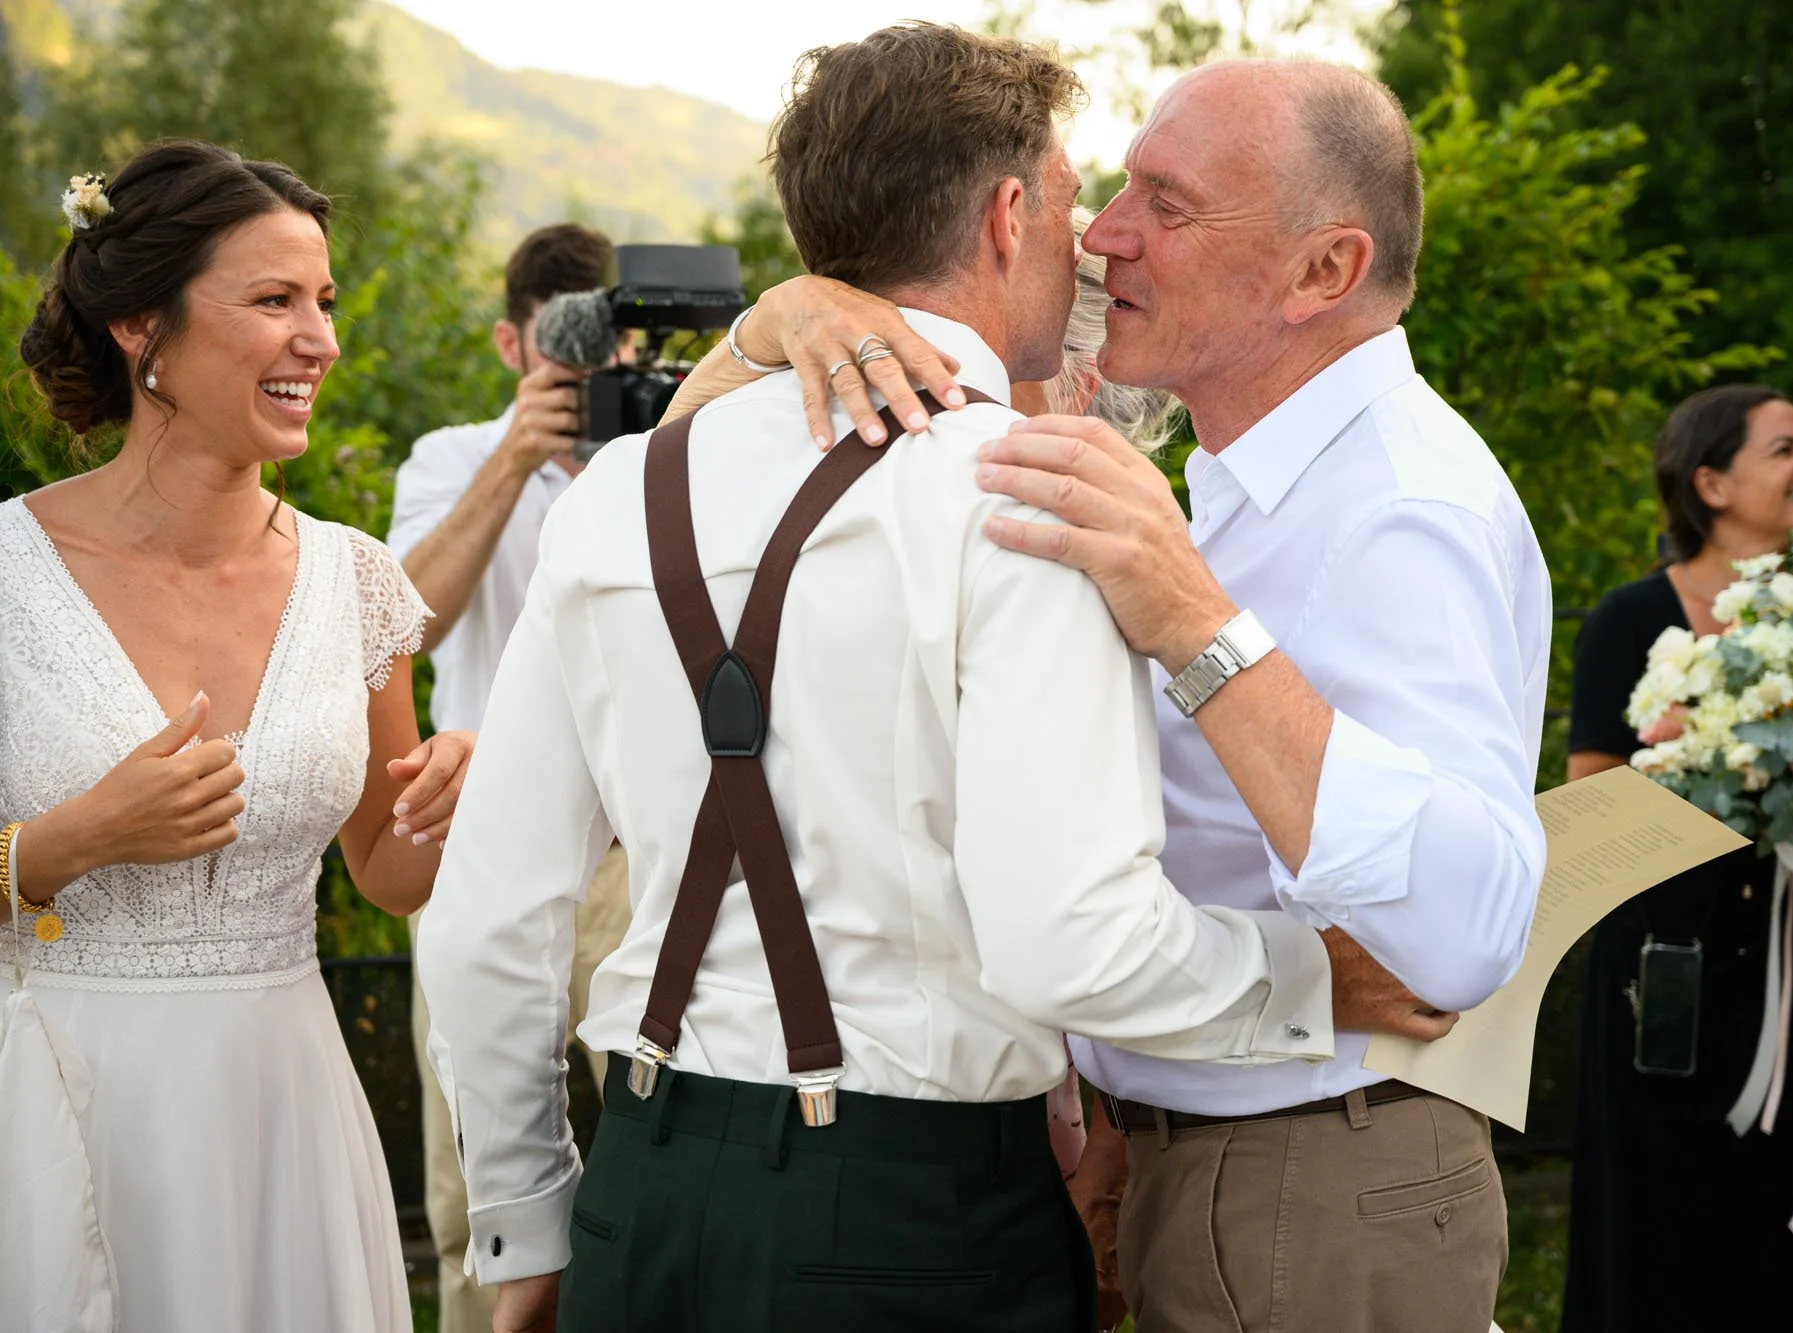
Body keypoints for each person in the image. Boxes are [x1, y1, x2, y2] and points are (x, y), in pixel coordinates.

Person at [418, 25, 1351, 1333]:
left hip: (644, 1193)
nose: (1086, 239)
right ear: (1008, 212)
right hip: (916, 1221)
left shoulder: (623, 490)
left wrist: (526, 1219)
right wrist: (1315, 977)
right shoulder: (1035, 495)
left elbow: (487, 916)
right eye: (1077, 200)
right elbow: (1071, 940)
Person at [701, 55, 1549, 1332]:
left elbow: (1466, 925)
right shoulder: (1247, 479)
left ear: (1321, 270)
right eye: (1113, 191)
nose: (1102, 234)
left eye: (1167, 200)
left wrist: (1196, 626)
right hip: (1215, 1162)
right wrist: (773, 318)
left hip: (1316, 1182)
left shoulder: (1397, 508)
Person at [1, 139, 473, 1332]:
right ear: (139, 327)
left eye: (320, 299)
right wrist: (62, 844)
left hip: (288, 1110)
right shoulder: (7, 574)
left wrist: (464, 802)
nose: (319, 336)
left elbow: (388, 872)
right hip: (63, 1102)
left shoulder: (356, 581)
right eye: (273, 300)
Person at [1563, 384, 1793, 1332]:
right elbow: (1589, 796)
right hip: (1663, 977)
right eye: (1788, 447)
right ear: (1710, 481)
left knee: (1784, 1227)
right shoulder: (1631, 620)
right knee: (1657, 1228)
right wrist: (1719, 758)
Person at [385, 222, 635, 1333]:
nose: (585, 364)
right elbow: (402, 629)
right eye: (558, 342)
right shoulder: (451, 457)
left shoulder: (663, 458)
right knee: (469, 1187)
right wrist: (517, 458)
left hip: (639, 856)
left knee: (654, 1143)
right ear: (508, 344)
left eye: (603, 338)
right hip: (473, 847)